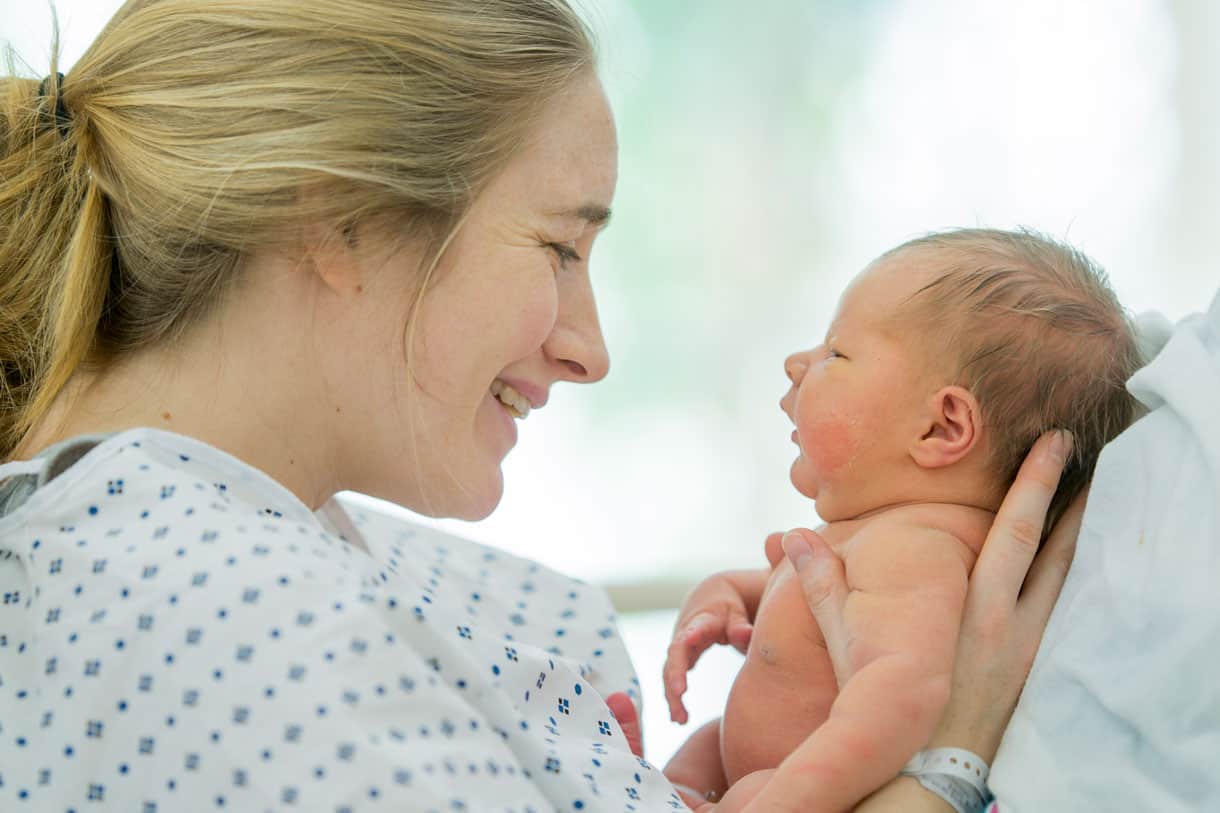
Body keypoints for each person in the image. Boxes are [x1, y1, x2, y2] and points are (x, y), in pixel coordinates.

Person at [0, 1, 1080, 810]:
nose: (590, 351)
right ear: (337, 221)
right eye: (559, 246)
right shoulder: (226, 624)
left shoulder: (254, 557)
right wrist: (945, 761)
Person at [661, 230, 1142, 811]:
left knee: (736, 785)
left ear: (942, 428)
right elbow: (816, 613)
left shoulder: (917, 551)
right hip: (751, 773)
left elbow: (902, 698)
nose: (796, 364)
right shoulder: (887, 536)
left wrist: (776, 803)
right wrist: (730, 594)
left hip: (802, 794)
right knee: (700, 752)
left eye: (836, 353)